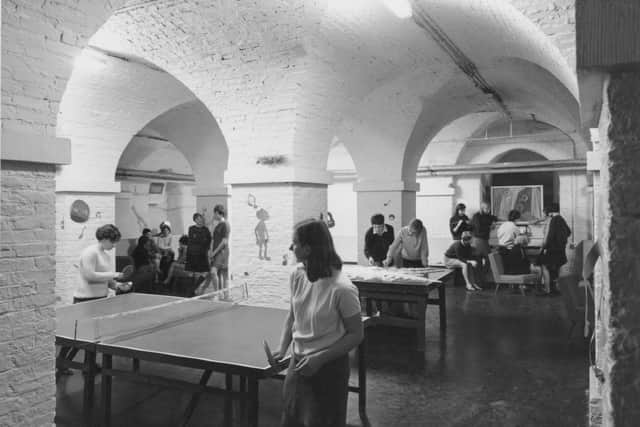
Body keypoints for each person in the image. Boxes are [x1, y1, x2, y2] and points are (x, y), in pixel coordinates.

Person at [272, 219, 363, 427]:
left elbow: (356, 334)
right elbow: (293, 314)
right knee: (290, 419)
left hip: (329, 367)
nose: (291, 247)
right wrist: (282, 347)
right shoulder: (297, 274)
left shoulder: (342, 288)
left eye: (294, 242)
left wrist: (319, 359)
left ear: (308, 248)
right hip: (298, 363)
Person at [73, 224, 130, 302]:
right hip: (85, 300)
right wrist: (115, 274)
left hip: (101, 299)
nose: (114, 245)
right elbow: (90, 276)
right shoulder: (90, 252)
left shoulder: (106, 256)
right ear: (104, 239)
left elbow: (107, 281)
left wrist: (118, 285)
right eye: (112, 242)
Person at [537, 203, 571, 296]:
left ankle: (547, 290)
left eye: (545, 212)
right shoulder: (561, 219)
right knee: (555, 269)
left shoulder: (553, 220)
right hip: (560, 249)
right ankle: (555, 289)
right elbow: (569, 232)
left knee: (544, 266)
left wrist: (544, 247)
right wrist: (561, 241)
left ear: (549, 212)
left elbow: (550, 236)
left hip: (552, 249)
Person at [199, 204, 230, 294]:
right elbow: (213, 236)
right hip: (217, 252)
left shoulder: (225, 225)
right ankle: (221, 294)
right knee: (218, 274)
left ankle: (217, 293)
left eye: (214, 214)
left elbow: (224, 241)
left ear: (217, 213)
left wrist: (214, 252)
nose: (214, 215)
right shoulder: (219, 224)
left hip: (222, 252)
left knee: (213, 272)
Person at [470, 201, 499, 274]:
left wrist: (494, 222)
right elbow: (479, 228)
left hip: (485, 240)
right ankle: (481, 276)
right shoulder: (476, 216)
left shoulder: (487, 216)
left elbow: (495, 218)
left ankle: (483, 275)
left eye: (489, 208)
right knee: (486, 258)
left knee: (487, 259)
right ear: (482, 208)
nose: (488, 210)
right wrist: (490, 227)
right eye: (486, 208)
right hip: (478, 240)